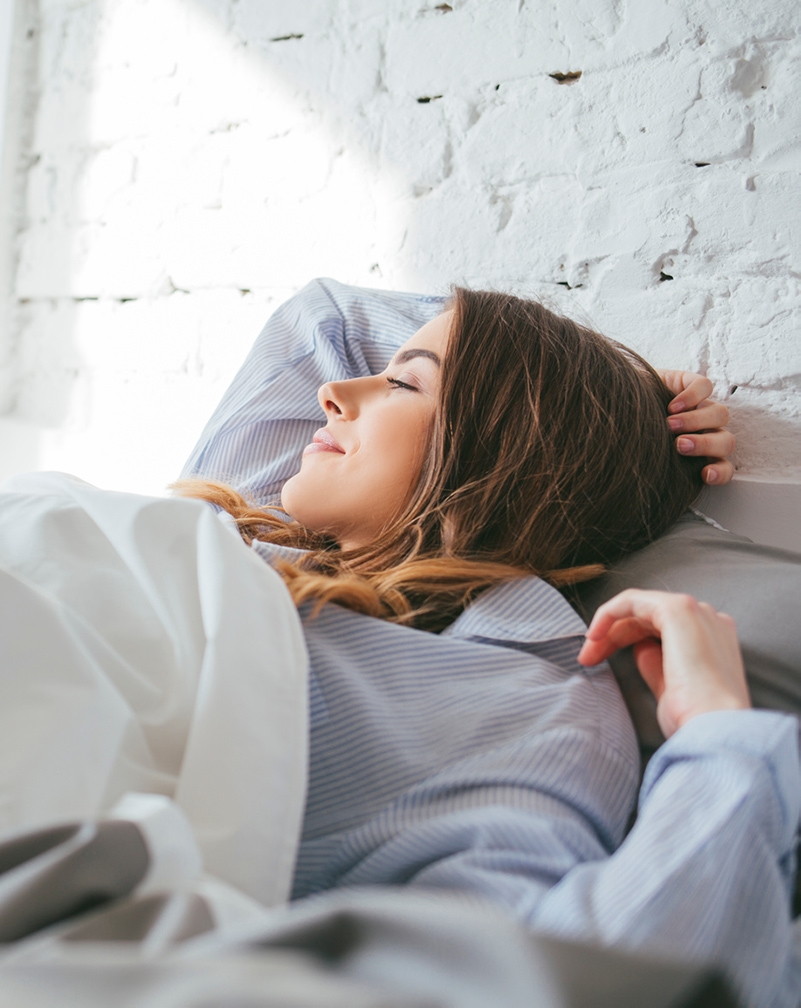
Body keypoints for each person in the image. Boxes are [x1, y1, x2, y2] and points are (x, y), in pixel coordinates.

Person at [177, 279, 798, 1008]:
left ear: (504, 455)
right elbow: (324, 318)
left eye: (401, 384)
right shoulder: (261, 514)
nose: (335, 391)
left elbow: (573, 977)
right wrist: (619, 391)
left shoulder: (518, 693)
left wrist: (717, 737)